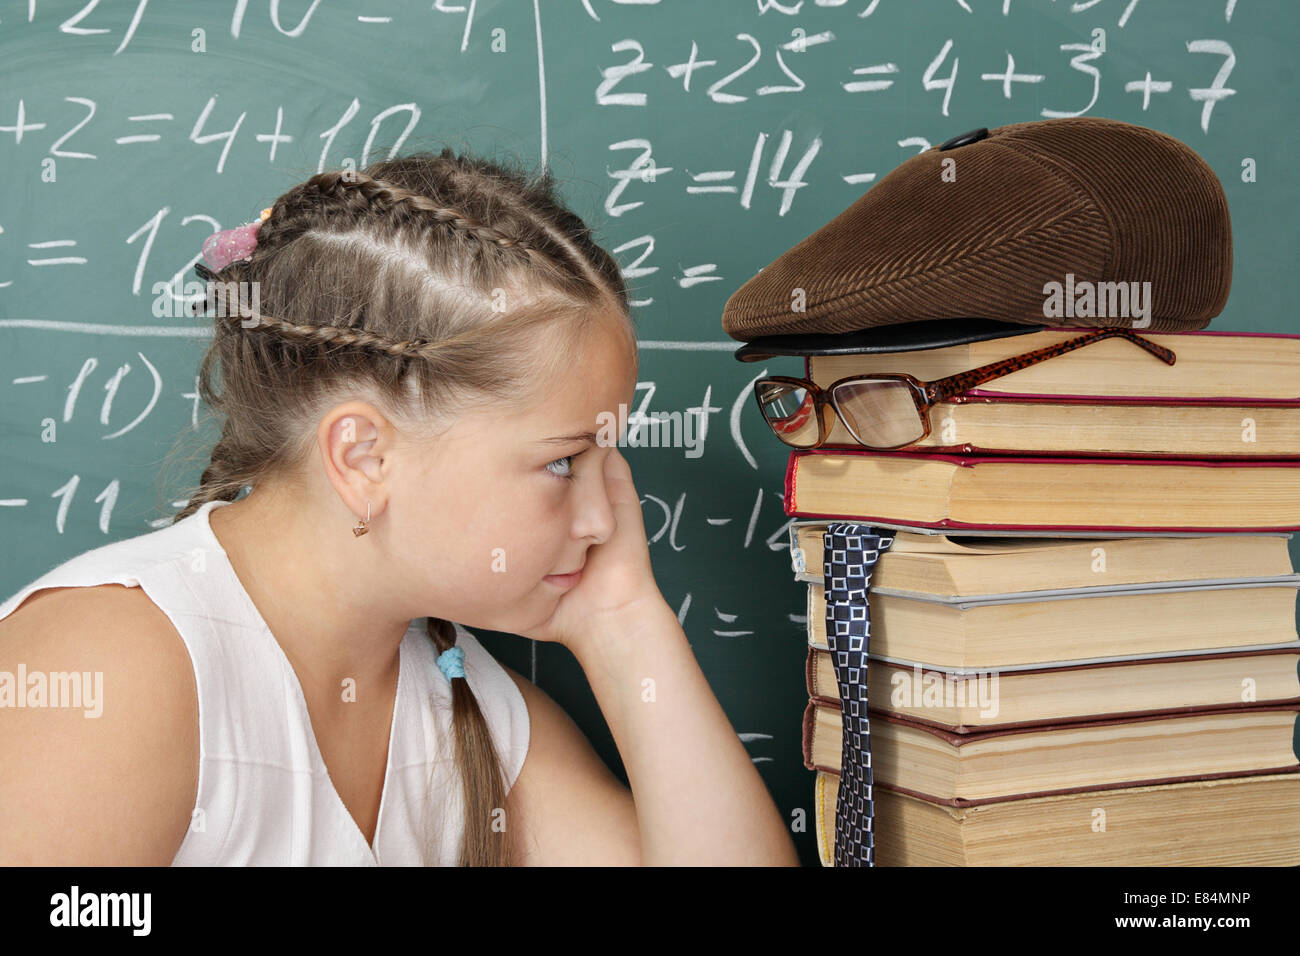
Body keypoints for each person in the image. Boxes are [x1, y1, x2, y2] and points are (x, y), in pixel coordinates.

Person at [0, 150, 798, 866]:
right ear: (363, 458)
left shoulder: (468, 708)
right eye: (563, 461)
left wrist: (625, 627)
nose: (604, 520)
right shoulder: (114, 672)